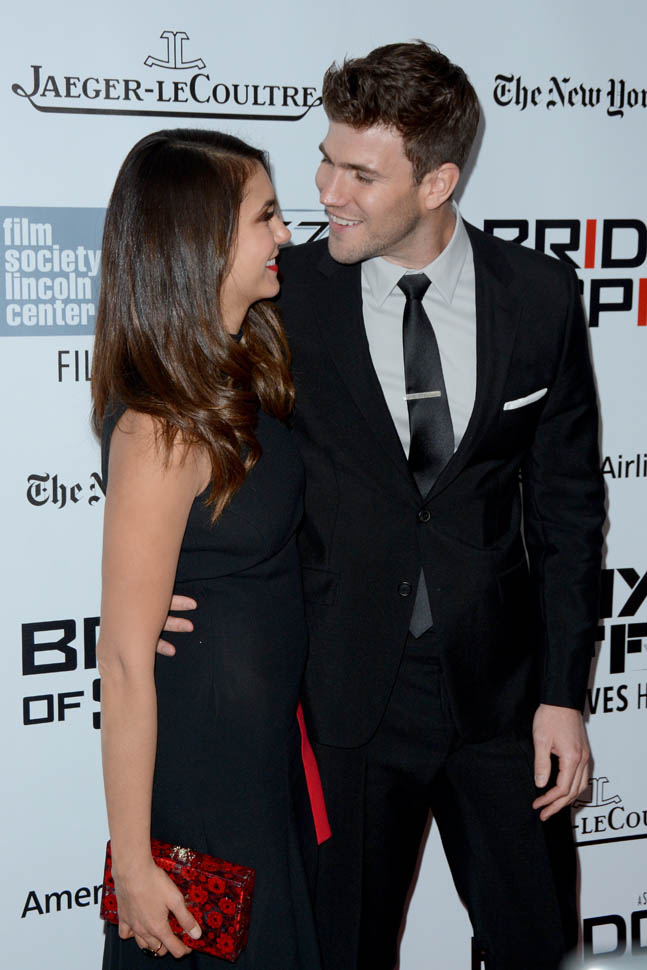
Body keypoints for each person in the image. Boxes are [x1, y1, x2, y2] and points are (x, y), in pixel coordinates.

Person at [162, 42, 605, 970]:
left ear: (437, 182)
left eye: (360, 174)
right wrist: (159, 579)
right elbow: (172, 412)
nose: (327, 191)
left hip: (503, 701)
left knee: (532, 942)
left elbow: (567, 515)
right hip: (339, 697)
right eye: (326, 160)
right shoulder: (284, 298)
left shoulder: (539, 296)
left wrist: (562, 694)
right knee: (342, 950)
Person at [92, 128, 325, 969]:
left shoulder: (239, 370)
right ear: (201, 241)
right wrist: (135, 862)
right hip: (205, 770)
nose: (286, 233)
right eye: (265, 216)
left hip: (264, 758)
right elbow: (125, 661)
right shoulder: (159, 426)